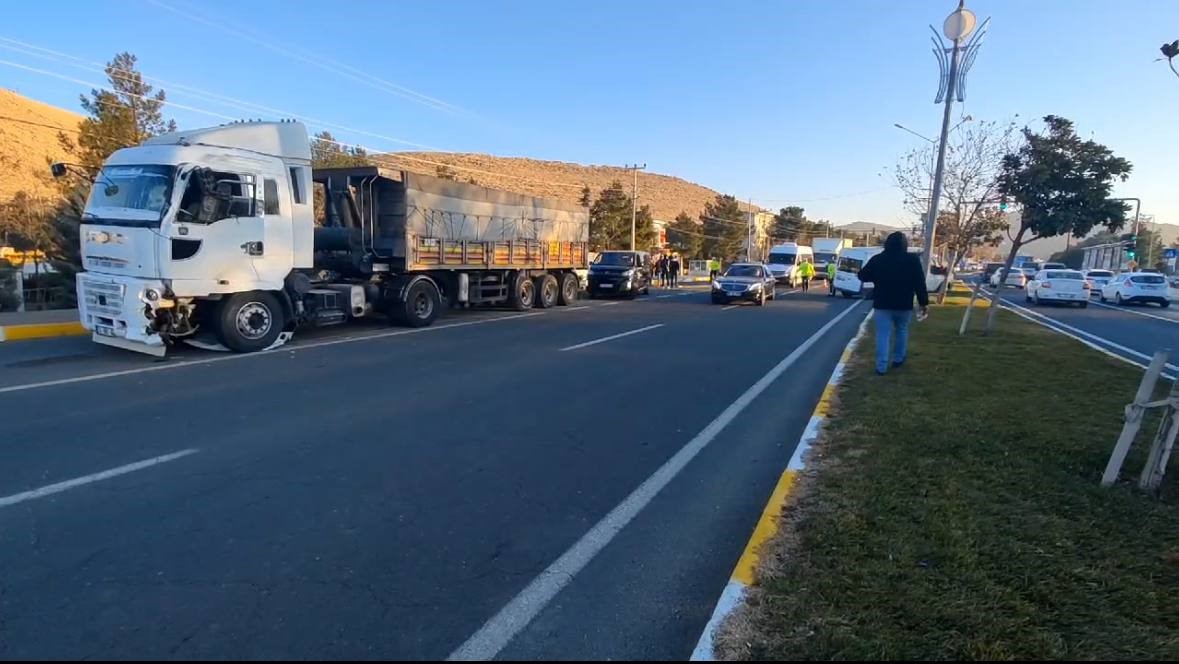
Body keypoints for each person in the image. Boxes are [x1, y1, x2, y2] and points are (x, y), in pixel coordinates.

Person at [856, 231, 929, 376]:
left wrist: (877, 277)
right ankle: (898, 359)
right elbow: (919, 283)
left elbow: (862, 275)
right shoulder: (912, 260)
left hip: (882, 303)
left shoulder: (878, 259)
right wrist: (923, 302)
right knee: (902, 330)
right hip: (904, 303)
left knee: (883, 334)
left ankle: (881, 367)